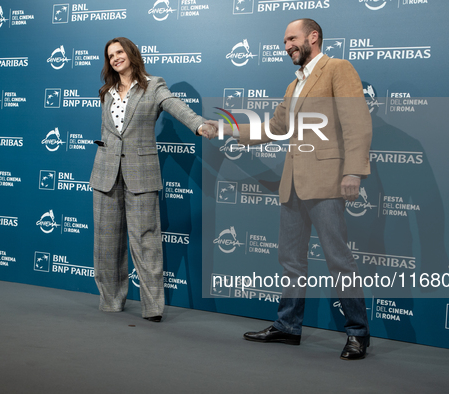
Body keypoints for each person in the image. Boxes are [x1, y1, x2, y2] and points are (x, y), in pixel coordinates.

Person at [205, 18, 372, 359]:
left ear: (314, 36)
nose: (286, 47)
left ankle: (358, 334)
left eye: (291, 39)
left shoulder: (338, 68)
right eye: (284, 42)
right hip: (293, 184)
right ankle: (287, 327)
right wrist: (224, 129)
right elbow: (273, 128)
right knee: (291, 261)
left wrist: (353, 171)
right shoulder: (294, 85)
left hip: (327, 183)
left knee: (339, 260)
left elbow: (357, 122)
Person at [90, 37, 215, 322]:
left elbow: (175, 105)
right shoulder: (107, 91)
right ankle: (111, 301)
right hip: (105, 174)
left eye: (119, 52)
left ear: (131, 53)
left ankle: (152, 308)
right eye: (110, 56)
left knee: (146, 242)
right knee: (106, 243)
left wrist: (199, 124)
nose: (115, 58)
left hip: (141, 174)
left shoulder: (153, 85)